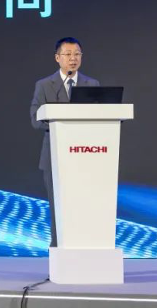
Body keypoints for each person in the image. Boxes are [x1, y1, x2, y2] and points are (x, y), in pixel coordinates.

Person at [30, 37, 99, 248]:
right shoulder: (44, 85)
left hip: (84, 155)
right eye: (68, 54)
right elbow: (35, 118)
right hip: (54, 155)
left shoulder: (92, 85)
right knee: (58, 205)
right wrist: (59, 122)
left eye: (77, 54)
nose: (73, 59)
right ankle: (59, 247)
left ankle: (85, 245)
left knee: (83, 203)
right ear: (57, 58)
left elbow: (99, 116)